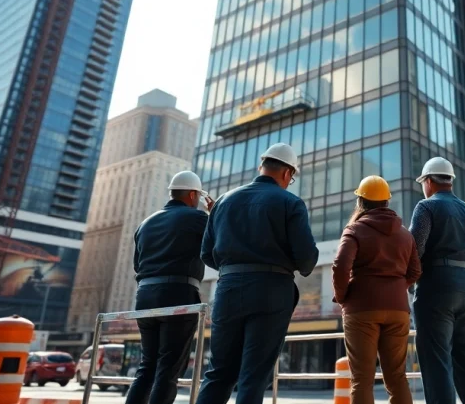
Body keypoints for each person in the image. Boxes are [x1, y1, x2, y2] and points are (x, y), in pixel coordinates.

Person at [196, 143, 320, 404]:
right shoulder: (290, 202)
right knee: (253, 375)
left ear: (261, 166)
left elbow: (206, 254)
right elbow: (306, 257)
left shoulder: (223, 202)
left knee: (218, 373)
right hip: (272, 290)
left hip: (228, 289)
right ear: (287, 173)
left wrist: (234, 267)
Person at [408, 157, 465, 404]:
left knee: (437, 362)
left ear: (428, 182)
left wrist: (407, 282)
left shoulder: (425, 207)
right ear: (450, 181)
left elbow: (415, 249)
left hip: (435, 287)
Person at [332, 175, 422, 404]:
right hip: (398, 310)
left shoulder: (354, 229)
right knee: (397, 378)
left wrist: (343, 297)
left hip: (361, 308)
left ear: (361, 202)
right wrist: (395, 288)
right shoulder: (404, 234)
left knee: (362, 380)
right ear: (387, 202)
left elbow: (341, 266)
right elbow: (415, 272)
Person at [126, 171, 212, 404]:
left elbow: (137, 264)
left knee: (147, 367)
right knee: (168, 369)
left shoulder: (145, 224)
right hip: (178, 295)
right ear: (193, 194)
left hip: (144, 297)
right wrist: (214, 215)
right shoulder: (198, 218)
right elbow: (220, 242)